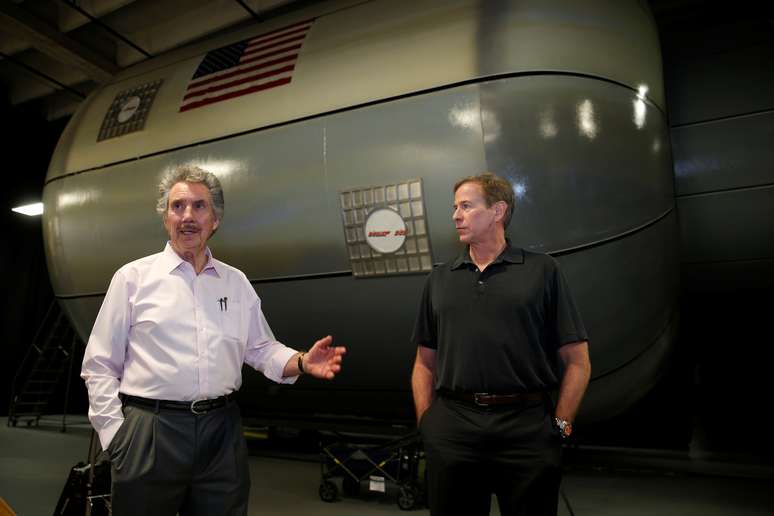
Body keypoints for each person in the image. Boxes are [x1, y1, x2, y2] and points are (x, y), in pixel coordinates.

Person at [81, 165, 346, 516]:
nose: (187, 216)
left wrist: (301, 361)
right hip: (151, 431)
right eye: (177, 206)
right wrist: (116, 437)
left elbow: (260, 348)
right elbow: (99, 365)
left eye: (199, 206)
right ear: (165, 217)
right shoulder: (132, 279)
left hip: (221, 433)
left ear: (215, 219)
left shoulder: (235, 283)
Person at [411, 172, 591, 516]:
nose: (455, 215)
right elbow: (423, 363)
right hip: (453, 427)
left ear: (498, 211)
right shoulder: (438, 279)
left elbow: (578, 361)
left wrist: (561, 426)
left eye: (466, 206)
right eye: (454, 207)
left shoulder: (543, 271)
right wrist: (427, 424)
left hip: (527, 428)